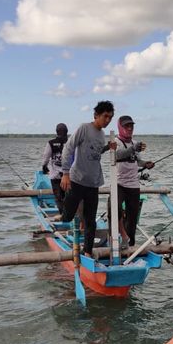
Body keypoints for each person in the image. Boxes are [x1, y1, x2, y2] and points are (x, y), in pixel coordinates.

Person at [60, 101, 117, 258]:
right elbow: (68, 148)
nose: (107, 120)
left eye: (110, 117)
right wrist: (65, 173)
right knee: (68, 216)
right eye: (105, 116)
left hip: (93, 183)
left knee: (91, 221)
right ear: (96, 115)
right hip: (77, 179)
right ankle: (66, 218)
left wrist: (108, 148)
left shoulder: (101, 135)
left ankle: (87, 252)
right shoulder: (84, 128)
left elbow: (96, 152)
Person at [114, 115, 154, 246]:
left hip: (133, 185)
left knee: (132, 218)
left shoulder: (134, 143)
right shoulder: (115, 142)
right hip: (119, 184)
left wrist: (146, 164)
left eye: (131, 126)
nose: (129, 128)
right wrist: (133, 148)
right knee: (114, 210)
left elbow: (138, 161)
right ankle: (118, 238)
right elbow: (117, 155)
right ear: (120, 127)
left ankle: (130, 245)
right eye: (126, 126)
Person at [41, 123, 68, 214]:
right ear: (67, 132)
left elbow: (46, 157)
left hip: (55, 176)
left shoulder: (51, 143)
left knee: (58, 198)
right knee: (69, 197)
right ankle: (70, 216)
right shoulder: (71, 142)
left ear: (57, 132)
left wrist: (44, 167)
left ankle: (63, 216)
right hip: (69, 176)